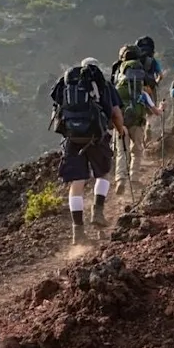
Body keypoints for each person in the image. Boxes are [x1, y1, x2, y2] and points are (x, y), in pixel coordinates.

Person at [50, 57, 127, 245]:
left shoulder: (66, 84)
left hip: (72, 139)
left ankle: (78, 232)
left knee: (76, 183)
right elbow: (116, 113)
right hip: (96, 137)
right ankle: (97, 211)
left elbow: (57, 111)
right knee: (102, 174)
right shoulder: (104, 85)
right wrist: (121, 130)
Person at [113, 46, 164, 195]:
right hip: (138, 121)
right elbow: (156, 112)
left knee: (122, 151)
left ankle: (120, 179)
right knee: (137, 150)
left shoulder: (117, 89)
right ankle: (134, 178)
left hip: (121, 123)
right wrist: (162, 107)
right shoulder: (142, 93)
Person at [134, 36, 165, 145]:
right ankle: (148, 127)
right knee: (150, 112)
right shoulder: (153, 61)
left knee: (138, 111)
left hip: (137, 89)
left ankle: (139, 133)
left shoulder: (135, 61)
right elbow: (161, 75)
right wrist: (155, 82)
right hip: (150, 90)